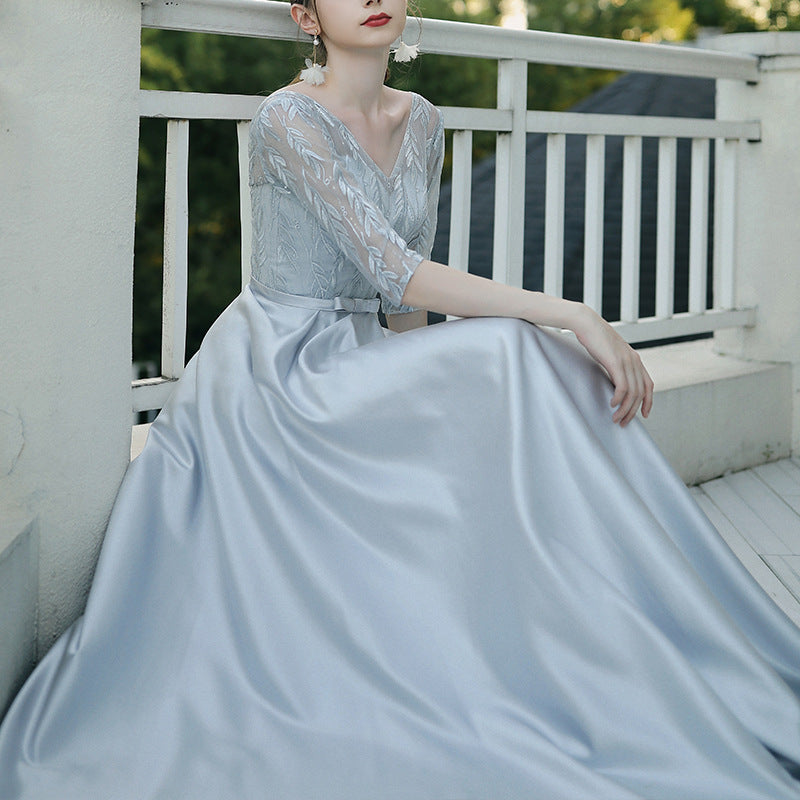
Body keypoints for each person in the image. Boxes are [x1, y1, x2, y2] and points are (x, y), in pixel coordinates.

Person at [1, 0, 800, 797]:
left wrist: (429, 383)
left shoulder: (422, 119)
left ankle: (616, 627)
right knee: (519, 347)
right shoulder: (287, 119)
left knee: (529, 365)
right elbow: (396, 270)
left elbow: (405, 305)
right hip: (282, 372)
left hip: (365, 355)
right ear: (306, 15)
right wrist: (573, 311)